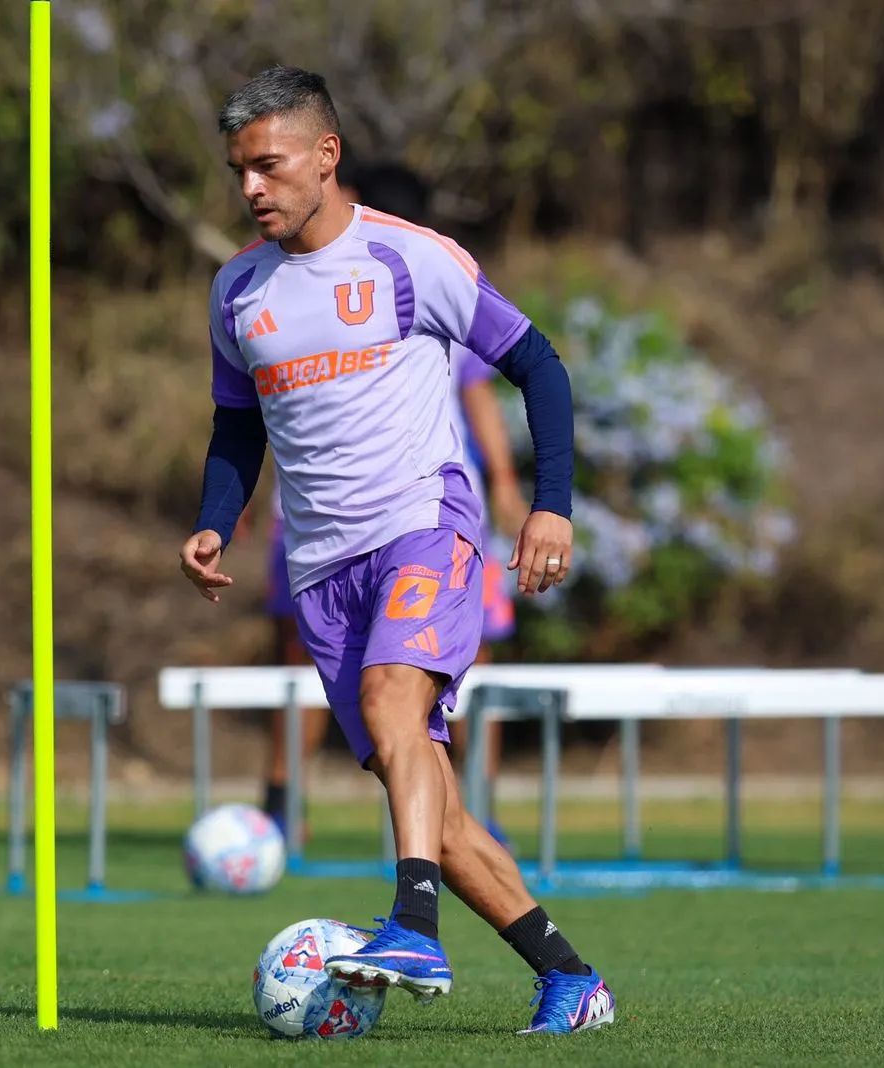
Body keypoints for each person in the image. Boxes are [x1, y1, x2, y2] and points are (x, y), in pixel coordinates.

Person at [179, 66, 614, 1034]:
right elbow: (235, 426)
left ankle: (412, 921)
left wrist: (550, 508)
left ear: (325, 157)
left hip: (426, 526)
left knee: (392, 702)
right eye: (237, 171)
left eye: (268, 166)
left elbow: (537, 364)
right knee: (436, 806)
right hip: (322, 571)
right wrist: (217, 515)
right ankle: (572, 980)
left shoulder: (414, 260)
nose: (250, 189)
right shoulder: (236, 294)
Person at [254, 160, 528, 853]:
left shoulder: (421, 280)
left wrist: (503, 484)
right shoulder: (280, 288)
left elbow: (480, 392)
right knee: (306, 664)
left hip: (433, 515)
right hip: (322, 523)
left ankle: (472, 812)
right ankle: (283, 806)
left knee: (467, 663)